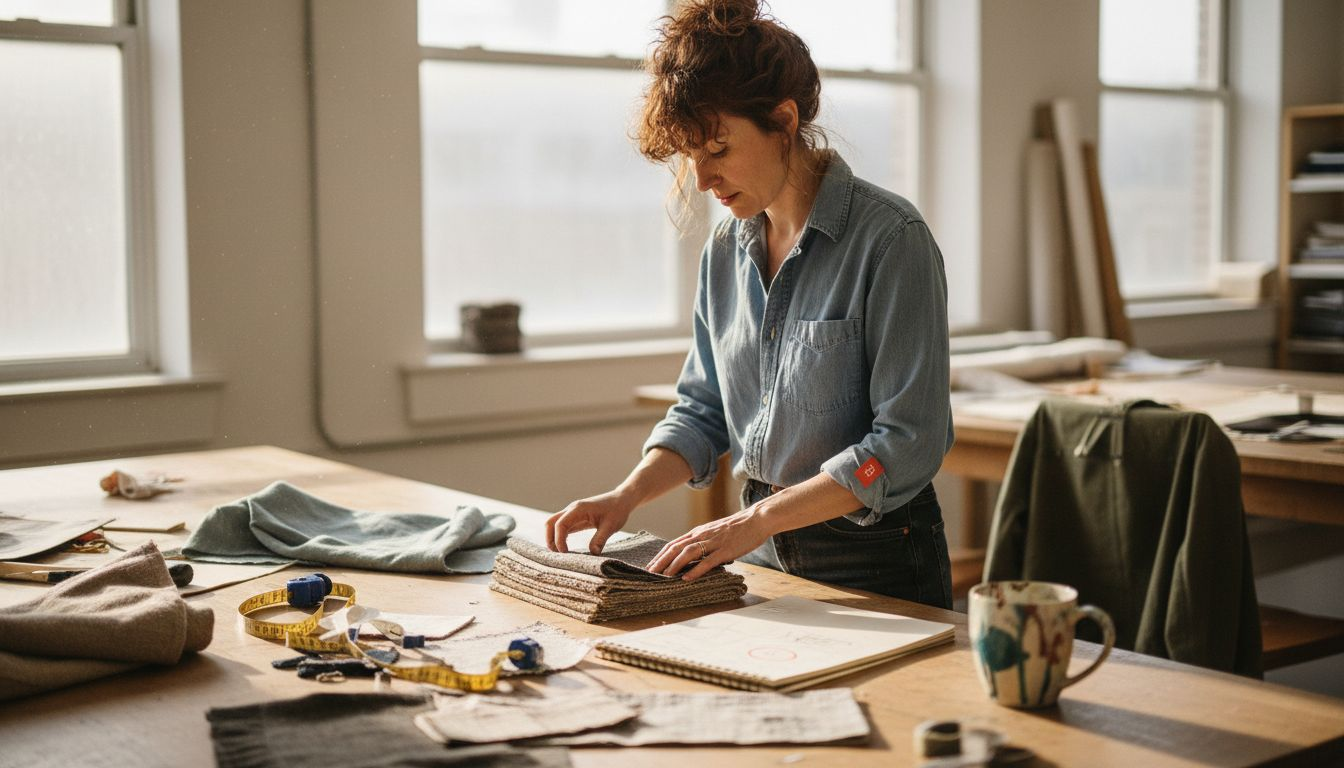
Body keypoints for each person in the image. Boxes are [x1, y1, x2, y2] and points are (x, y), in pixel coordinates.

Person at [545, 0, 955, 609]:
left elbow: (906, 443)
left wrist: (754, 522)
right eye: (692, 156)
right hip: (760, 552)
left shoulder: (891, 239)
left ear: (783, 121)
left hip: (876, 554)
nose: (704, 179)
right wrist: (626, 495)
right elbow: (704, 410)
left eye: (718, 148)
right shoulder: (724, 252)